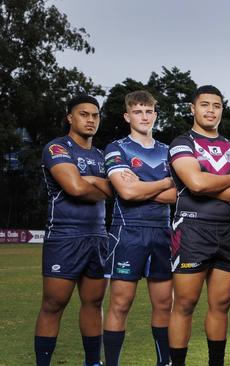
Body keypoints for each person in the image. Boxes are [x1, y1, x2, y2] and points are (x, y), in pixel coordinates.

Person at [166, 85, 230, 366]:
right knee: (185, 304)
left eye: (217, 106)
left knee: (221, 306)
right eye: (205, 105)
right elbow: (195, 183)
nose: (211, 110)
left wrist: (205, 182)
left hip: (226, 230)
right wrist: (229, 179)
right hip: (191, 229)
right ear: (193, 108)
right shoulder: (181, 142)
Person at [102, 90, 177, 366]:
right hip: (127, 231)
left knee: (163, 304)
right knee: (120, 303)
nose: (144, 116)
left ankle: (164, 362)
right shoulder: (116, 147)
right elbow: (126, 193)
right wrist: (163, 183)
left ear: (155, 115)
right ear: (127, 116)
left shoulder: (168, 152)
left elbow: (176, 196)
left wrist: (139, 185)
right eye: (137, 111)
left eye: (148, 111)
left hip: (162, 232)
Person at [35, 95, 111, 366]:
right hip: (65, 236)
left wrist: (89, 180)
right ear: (70, 117)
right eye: (84, 114)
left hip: (98, 237)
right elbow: (75, 188)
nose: (90, 120)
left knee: (94, 303)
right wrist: (94, 184)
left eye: (95, 115)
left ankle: (93, 362)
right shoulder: (57, 148)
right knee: (54, 304)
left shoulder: (102, 156)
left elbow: (115, 190)